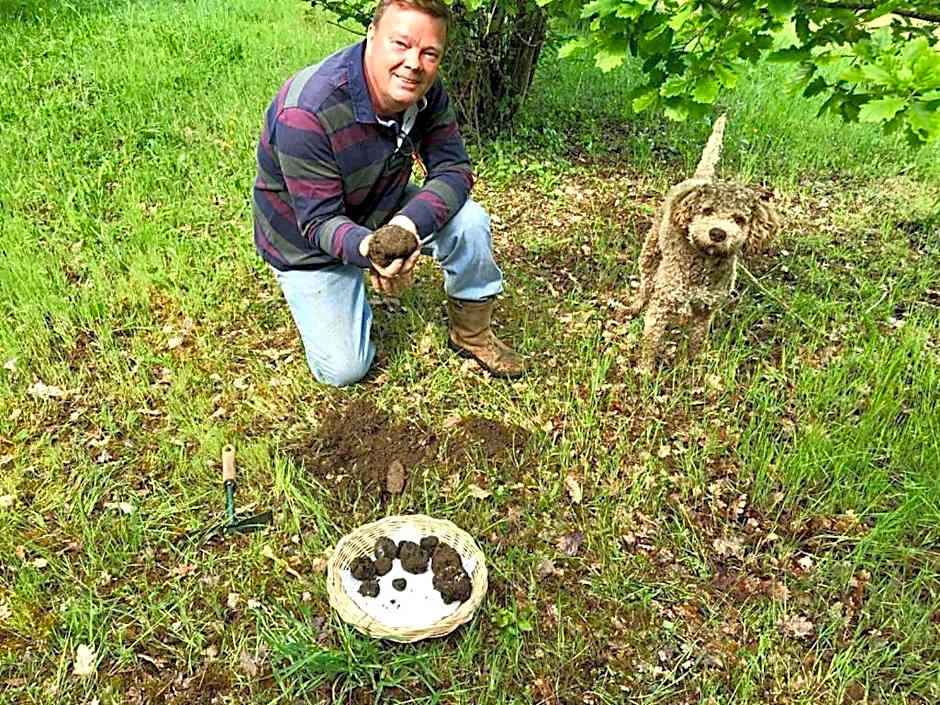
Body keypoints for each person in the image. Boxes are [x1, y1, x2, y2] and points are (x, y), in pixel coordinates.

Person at [252, 0, 525, 386]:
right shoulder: (307, 112)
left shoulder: (425, 90)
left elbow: (454, 169)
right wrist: (370, 250)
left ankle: (471, 333)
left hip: (379, 200)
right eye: (400, 44)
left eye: (430, 53)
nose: (414, 62)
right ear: (371, 36)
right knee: (343, 369)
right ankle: (332, 292)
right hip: (305, 239)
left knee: (470, 221)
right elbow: (317, 221)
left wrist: (406, 227)